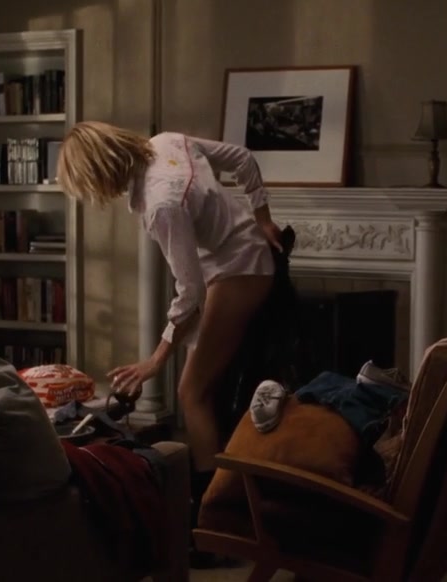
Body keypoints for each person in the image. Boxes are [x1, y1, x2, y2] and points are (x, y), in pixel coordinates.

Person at [55, 121, 282, 501]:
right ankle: (227, 495)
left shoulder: (161, 204)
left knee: (191, 393)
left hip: (240, 269)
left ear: (97, 171)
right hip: (239, 260)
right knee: (207, 390)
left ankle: (213, 508)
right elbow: (243, 158)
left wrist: (154, 362)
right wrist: (263, 219)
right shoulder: (167, 142)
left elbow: (189, 293)